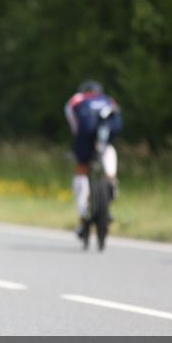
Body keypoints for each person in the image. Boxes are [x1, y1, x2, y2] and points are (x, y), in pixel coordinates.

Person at [64, 80, 122, 238]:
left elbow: (75, 126)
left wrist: (78, 145)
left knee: (82, 170)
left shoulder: (76, 100)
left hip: (85, 136)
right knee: (108, 149)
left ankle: (83, 216)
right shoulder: (108, 99)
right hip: (105, 137)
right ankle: (111, 179)